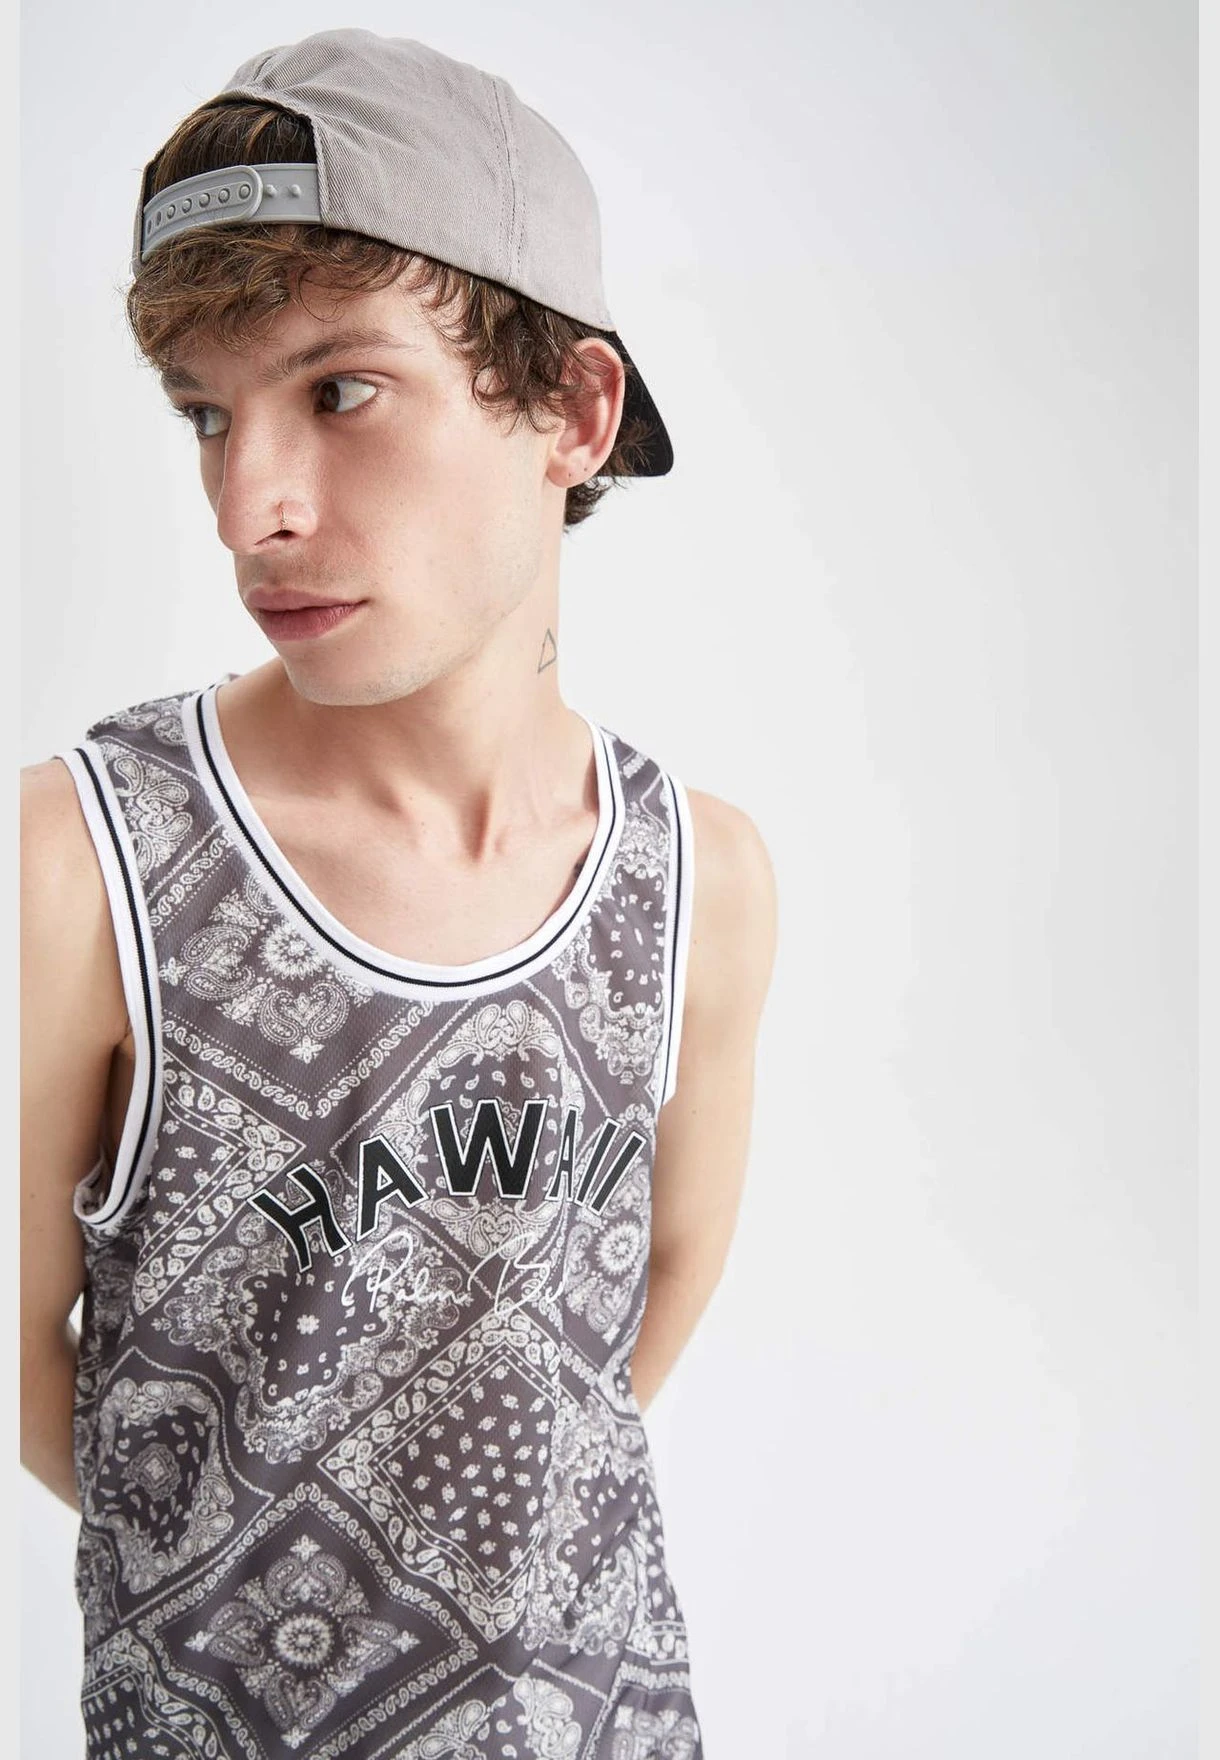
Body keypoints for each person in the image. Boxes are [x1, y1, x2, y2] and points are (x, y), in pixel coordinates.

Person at [21, 28, 776, 1758]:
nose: (251, 507)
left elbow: (640, 1311)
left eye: (339, 391)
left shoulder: (698, 881)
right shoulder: (84, 864)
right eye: (207, 413)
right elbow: (23, 1369)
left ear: (572, 412)